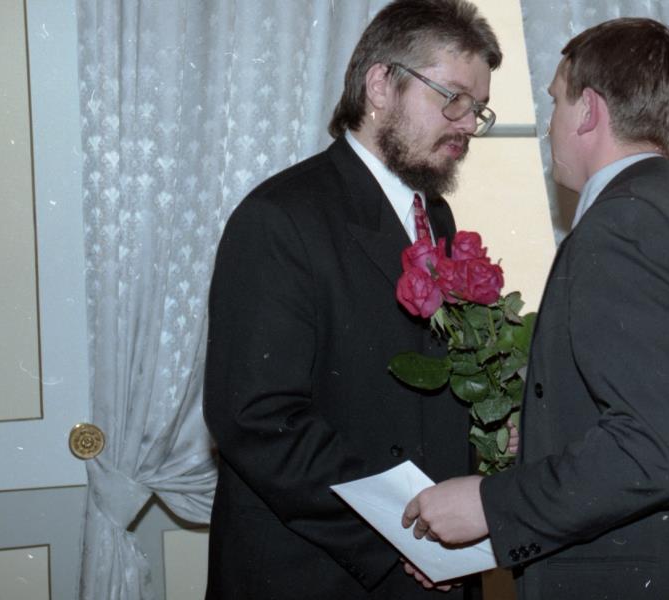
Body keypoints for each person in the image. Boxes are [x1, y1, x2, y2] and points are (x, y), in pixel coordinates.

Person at [402, 17, 669, 599]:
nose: (550, 123)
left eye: (556, 101)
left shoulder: (623, 228)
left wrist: (487, 504)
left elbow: (654, 450)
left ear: (589, 111)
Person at [202, 1, 501, 598]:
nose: (468, 124)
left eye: (478, 109)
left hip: (430, 563)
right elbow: (258, 420)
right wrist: (407, 534)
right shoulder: (279, 218)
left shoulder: (435, 216)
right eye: (453, 98)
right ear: (381, 84)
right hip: (322, 572)